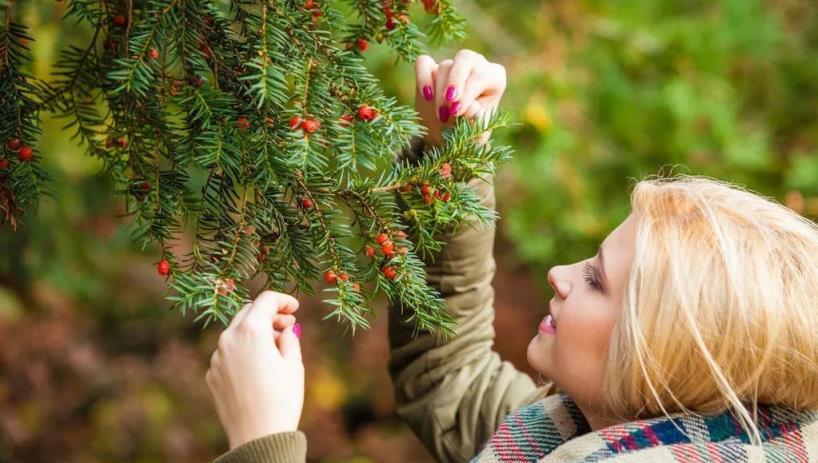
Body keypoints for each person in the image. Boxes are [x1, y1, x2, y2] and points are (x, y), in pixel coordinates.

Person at [205, 50, 818, 463]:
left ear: (659, 358)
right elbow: (450, 382)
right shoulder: (599, 427)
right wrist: (454, 158)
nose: (560, 273)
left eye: (597, 281)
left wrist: (262, 438)